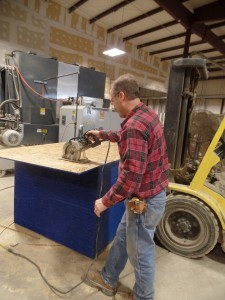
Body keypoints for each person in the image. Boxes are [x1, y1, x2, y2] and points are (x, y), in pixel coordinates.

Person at [85, 74, 169, 300]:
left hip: (144, 201)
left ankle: (143, 296)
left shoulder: (133, 125)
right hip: (152, 195)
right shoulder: (147, 114)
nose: (114, 106)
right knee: (123, 237)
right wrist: (102, 134)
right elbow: (127, 136)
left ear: (121, 95)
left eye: (113, 101)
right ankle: (108, 277)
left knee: (140, 252)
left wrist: (104, 202)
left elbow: (131, 177)